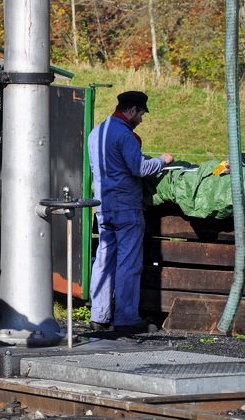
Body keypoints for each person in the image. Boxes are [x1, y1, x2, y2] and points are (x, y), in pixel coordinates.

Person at [87, 91, 173, 333]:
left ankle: (99, 315)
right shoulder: (124, 135)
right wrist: (162, 160)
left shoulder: (97, 133)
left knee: (104, 261)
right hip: (126, 206)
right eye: (142, 113)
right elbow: (139, 168)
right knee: (128, 263)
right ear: (133, 110)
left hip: (103, 207)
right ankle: (126, 318)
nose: (142, 119)